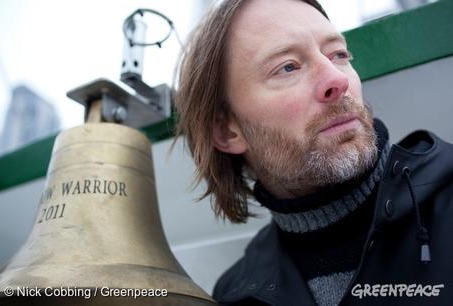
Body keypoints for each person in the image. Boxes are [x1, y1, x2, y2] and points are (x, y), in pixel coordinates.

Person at [174, 0, 453, 305]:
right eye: (288, 67)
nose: (337, 79)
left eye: (339, 54)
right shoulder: (235, 293)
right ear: (227, 132)